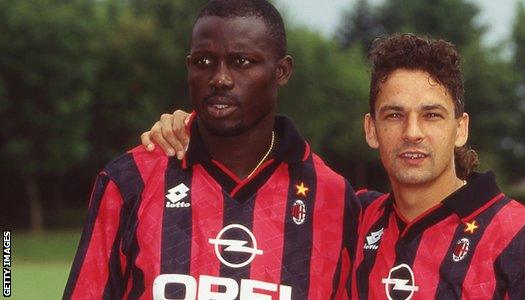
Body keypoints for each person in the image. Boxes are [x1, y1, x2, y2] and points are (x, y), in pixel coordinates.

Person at [144, 35, 525, 299]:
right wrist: (195, 127)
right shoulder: (352, 220)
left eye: (432, 115)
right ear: (371, 130)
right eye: (394, 115)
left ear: (460, 128)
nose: (412, 132)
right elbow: (263, 181)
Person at [64, 1, 359, 299]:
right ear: (189, 67)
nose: (220, 79)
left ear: (281, 71)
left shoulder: (332, 198)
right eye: (204, 62)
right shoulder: (131, 180)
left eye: (241, 62)